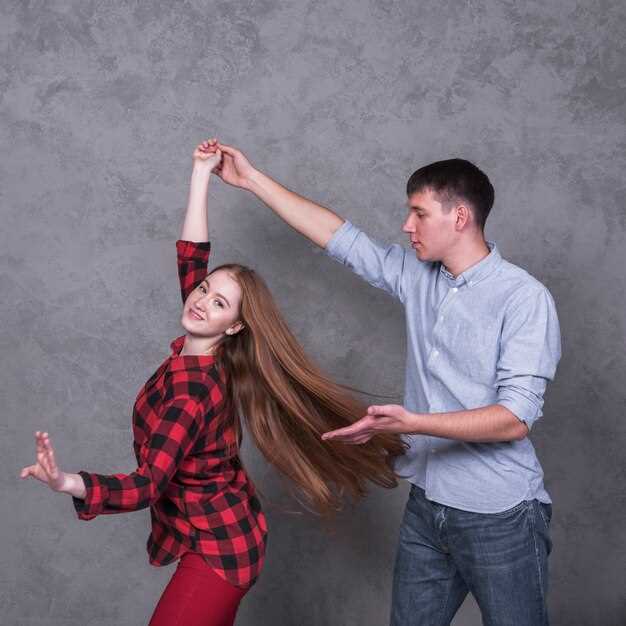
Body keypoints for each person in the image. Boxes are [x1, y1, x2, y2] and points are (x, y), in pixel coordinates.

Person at [20, 139, 405, 626]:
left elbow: (147, 484)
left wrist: (65, 482)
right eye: (204, 289)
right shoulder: (205, 343)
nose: (201, 300)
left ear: (235, 326)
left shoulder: (193, 389)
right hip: (213, 530)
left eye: (219, 303)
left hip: (221, 548)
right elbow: (192, 258)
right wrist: (201, 174)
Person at [210, 142, 562, 626]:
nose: (406, 225)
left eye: (419, 213)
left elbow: (514, 419)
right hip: (428, 504)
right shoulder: (418, 277)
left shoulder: (524, 299)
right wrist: (251, 179)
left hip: (500, 516)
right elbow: (339, 237)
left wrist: (413, 422)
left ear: (460, 217)